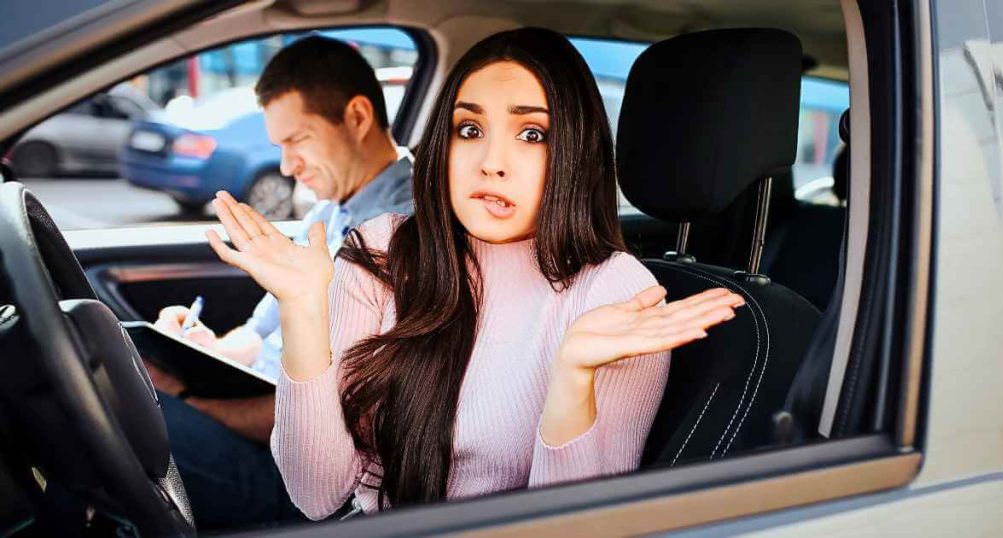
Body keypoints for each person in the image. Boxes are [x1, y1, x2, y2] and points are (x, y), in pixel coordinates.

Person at [204, 28, 744, 519]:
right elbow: (316, 495)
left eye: (531, 134)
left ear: (575, 152)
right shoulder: (381, 251)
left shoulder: (617, 295)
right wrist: (303, 310)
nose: (491, 161)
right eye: (469, 128)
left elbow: (571, 532)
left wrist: (572, 380)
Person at [146, 35, 413, 529]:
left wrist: (189, 403)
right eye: (280, 147)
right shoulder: (331, 210)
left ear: (357, 117)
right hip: (264, 426)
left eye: (297, 141)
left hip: (302, 476)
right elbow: (260, 333)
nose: (287, 167)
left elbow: (329, 406)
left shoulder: (403, 234)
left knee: (116, 414)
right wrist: (205, 348)